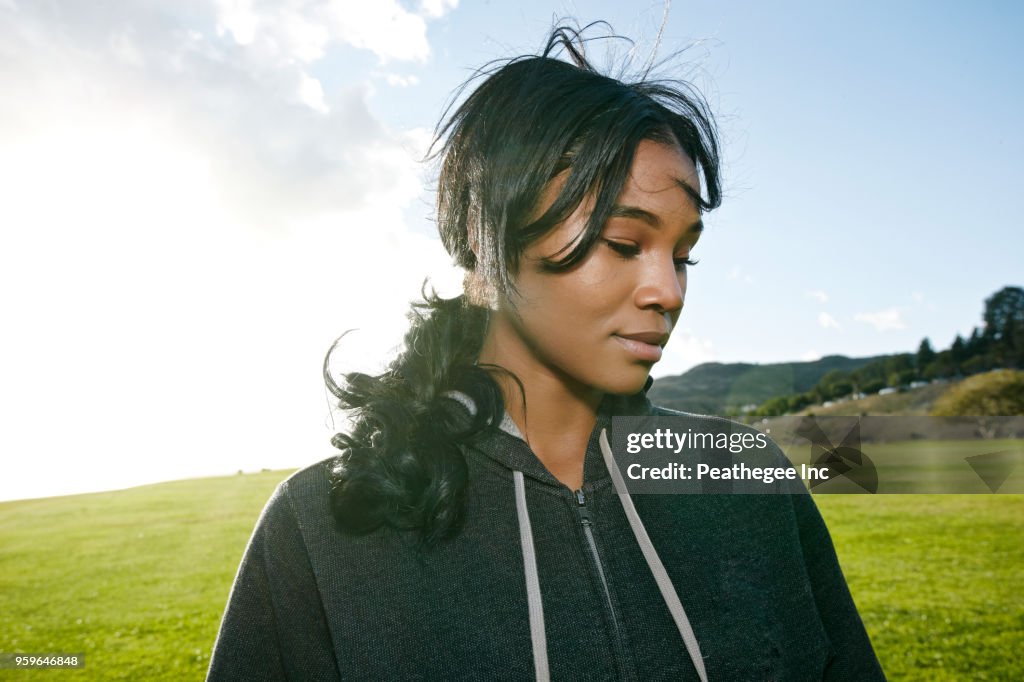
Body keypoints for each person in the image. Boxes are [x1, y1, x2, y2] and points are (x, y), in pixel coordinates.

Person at [207, 25, 885, 681]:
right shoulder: (318, 527)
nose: (667, 290)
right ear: (486, 239)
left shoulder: (744, 478)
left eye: (684, 255)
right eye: (624, 243)